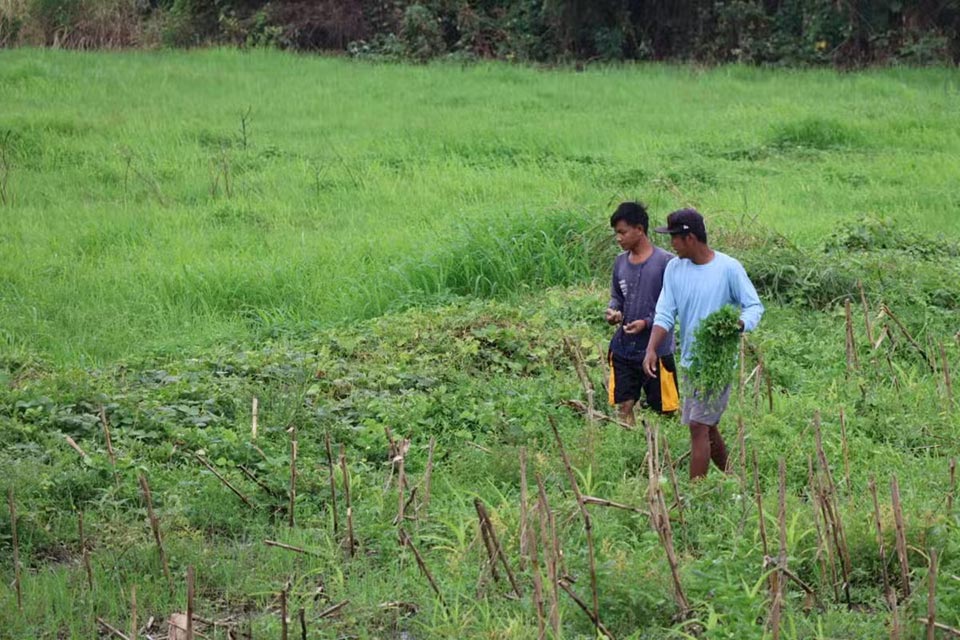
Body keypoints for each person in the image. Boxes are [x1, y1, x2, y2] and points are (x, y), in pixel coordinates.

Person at [642, 208, 764, 480]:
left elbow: (754, 306)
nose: (671, 244)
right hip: (691, 361)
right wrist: (651, 348)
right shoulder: (675, 268)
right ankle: (736, 477)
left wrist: (740, 324)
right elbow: (665, 312)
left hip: (717, 363)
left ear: (690, 238)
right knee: (706, 426)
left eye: (674, 237)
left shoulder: (728, 268)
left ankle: (696, 493)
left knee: (698, 425)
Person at [605, 202, 679, 426]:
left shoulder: (666, 263)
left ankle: (662, 454)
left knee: (665, 410)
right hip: (624, 348)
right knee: (624, 405)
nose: (618, 238)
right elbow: (617, 296)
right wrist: (613, 311)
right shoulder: (620, 263)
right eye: (616, 233)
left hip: (657, 349)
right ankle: (628, 453)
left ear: (639, 229)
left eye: (622, 232)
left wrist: (646, 323)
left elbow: (673, 306)